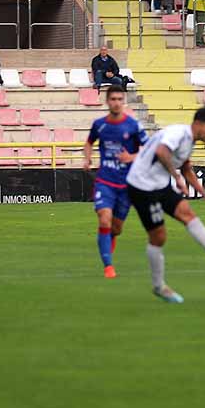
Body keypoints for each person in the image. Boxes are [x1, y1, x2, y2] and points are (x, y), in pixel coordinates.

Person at [124, 106, 205, 304]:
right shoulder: (178, 133)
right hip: (142, 187)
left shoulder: (190, 141)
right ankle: (159, 286)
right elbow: (162, 152)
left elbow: (187, 168)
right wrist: (176, 177)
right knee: (159, 237)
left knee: (187, 213)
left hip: (159, 185)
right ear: (198, 124)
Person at [84, 85, 147, 279]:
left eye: (120, 99)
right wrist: (87, 158)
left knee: (116, 228)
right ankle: (108, 266)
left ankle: (107, 245)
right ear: (107, 101)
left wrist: (133, 157)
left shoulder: (133, 126)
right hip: (105, 181)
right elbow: (89, 142)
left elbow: (149, 149)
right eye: (113, 99)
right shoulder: (99, 125)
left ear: (124, 101)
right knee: (104, 218)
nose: (117, 102)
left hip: (127, 185)